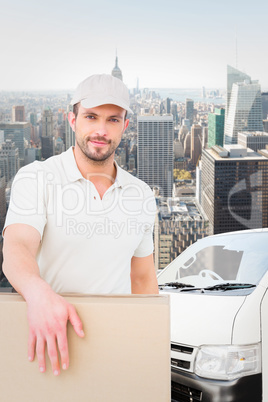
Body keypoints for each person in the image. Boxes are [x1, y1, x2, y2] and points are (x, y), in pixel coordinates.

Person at [2, 74, 158, 376]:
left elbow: (142, 279)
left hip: (117, 351)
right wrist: (38, 294)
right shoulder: (37, 178)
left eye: (113, 120)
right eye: (91, 117)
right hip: (47, 349)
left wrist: (149, 347)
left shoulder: (140, 194)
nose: (101, 130)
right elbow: (17, 245)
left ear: (125, 127)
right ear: (71, 120)